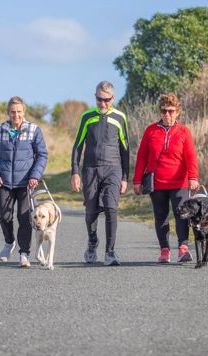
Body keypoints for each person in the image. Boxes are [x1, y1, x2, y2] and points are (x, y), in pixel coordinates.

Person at [132, 93, 200, 264]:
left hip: (180, 182)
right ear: (160, 112)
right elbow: (141, 157)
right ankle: (164, 250)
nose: (167, 114)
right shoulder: (150, 130)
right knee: (160, 215)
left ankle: (183, 248)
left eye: (171, 111)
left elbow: (191, 156)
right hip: (157, 182)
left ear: (177, 112)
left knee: (182, 214)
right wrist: (137, 180)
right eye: (164, 111)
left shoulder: (184, 131)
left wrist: (193, 177)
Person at [71, 80, 129, 266]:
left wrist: (125, 177)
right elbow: (77, 146)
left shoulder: (120, 117)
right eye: (99, 99)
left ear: (112, 98)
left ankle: (110, 252)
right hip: (90, 169)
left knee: (111, 208)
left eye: (106, 100)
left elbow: (125, 150)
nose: (102, 103)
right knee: (91, 211)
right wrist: (75, 172)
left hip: (113, 169)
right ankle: (92, 241)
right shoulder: (87, 116)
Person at [0, 96, 48, 268]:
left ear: (24, 112)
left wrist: (35, 176)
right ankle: (9, 242)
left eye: (19, 112)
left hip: (26, 183)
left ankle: (24, 254)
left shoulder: (33, 130)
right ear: (8, 113)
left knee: (24, 218)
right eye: (13, 112)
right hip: (5, 182)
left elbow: (42, 155)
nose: (16, 115)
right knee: (5, 216)